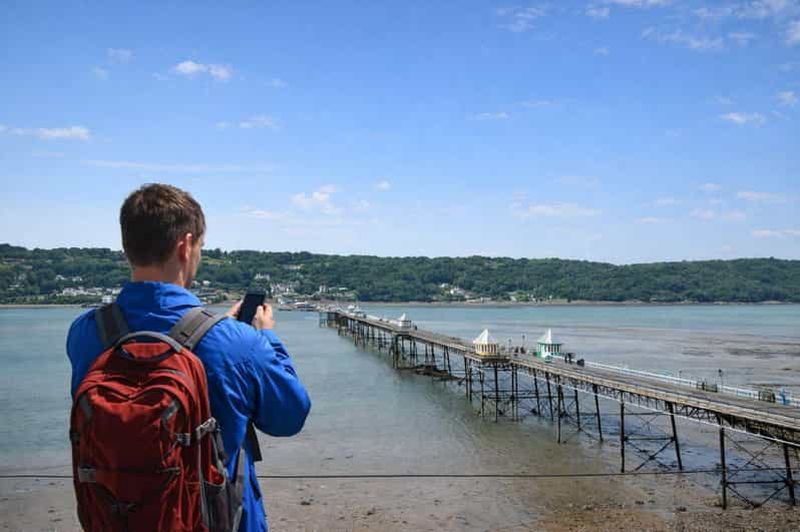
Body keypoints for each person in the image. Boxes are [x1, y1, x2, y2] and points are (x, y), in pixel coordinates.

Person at [67, 183, 311, 531]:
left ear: (126, 248)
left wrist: (222, 330)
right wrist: (265, 337)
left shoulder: (86, 332)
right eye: (200, 246)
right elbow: (289, 417)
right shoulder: (240, 342)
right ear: (185, 246)